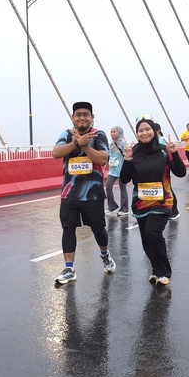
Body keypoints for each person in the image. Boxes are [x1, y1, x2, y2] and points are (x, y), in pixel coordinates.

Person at [50, 102, 115, 285]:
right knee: (68, 229)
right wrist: (77, 142)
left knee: (98, 229)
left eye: (86, 114)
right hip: (69, 193)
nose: (82, 118)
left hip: (93, 194)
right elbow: (56, 153)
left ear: (92, 117)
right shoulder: (66, 135)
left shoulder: (99, 135)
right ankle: (69, 269)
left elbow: (102, 159)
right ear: (73, 118)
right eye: (78, 114)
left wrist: (85, 146)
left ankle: (105, 254)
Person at [121, 117, 186, 286]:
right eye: (140, 130)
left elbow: (180, 173)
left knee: (153, 233)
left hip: (162, 201)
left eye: (147, 129)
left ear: (155, 131)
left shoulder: (164, 151)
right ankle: (156, 270)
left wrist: (175, 153)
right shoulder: (133, 152)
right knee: (146, 241)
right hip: (141, 203)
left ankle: (164, 272)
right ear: (137, 134)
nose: (144, 133)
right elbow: (124, 179)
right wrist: (127, 160)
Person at [105, 126, 129, 216]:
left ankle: (125, 209)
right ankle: (112, 206)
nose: (112, 133)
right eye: (111, 132)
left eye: (114, 131)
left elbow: (127, 155)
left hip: (122, 169)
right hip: (112, 170)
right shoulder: (111, 144)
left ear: (119, 132)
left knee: (123, 189)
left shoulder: (123, 142)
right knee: (108, 187)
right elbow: (109, 156)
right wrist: (105, 166)